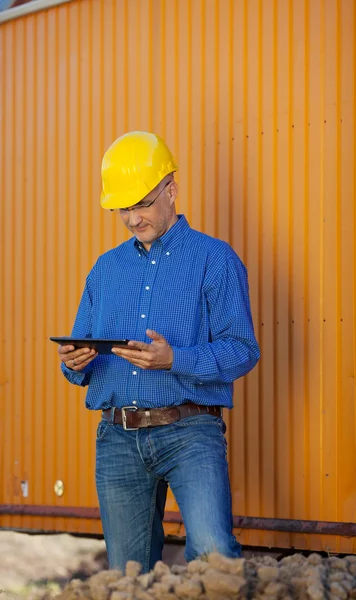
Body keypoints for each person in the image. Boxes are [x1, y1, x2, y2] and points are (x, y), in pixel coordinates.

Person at [58, 131, 260, 573]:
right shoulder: (105, 269)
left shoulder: (214, 259)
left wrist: (176, 359)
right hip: (116, 439)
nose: (132, 218)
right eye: (123, 208)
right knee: (129, 577)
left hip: (190, 434)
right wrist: (73, 365)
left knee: (215, 563)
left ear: (171, 191)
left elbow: (244, 350)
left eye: (142, 203)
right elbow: (79, 355)